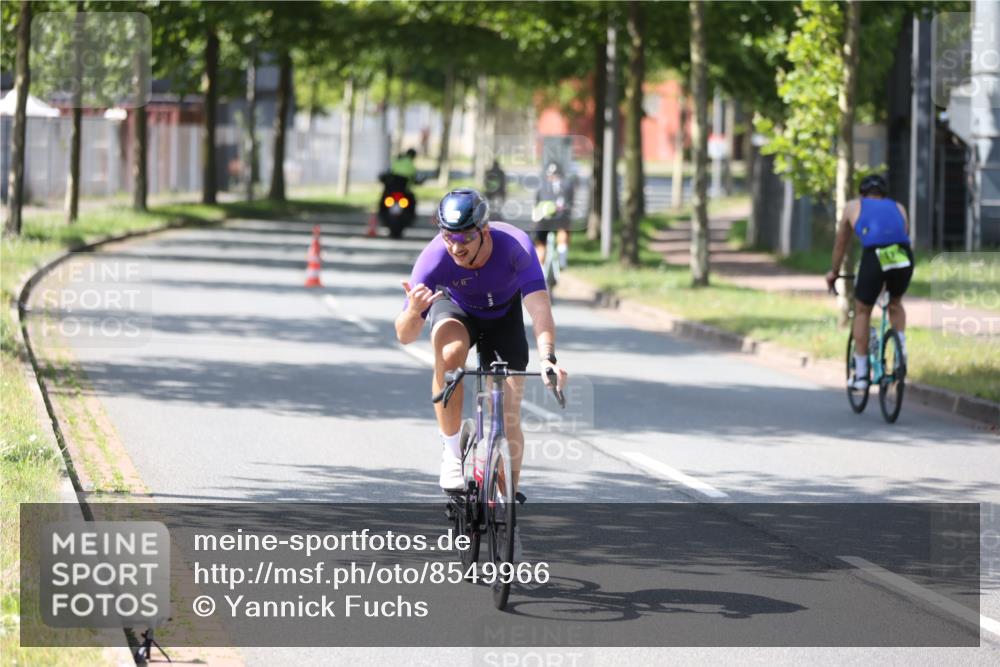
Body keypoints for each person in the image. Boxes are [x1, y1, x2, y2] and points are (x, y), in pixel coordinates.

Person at [395, 189, 568, 530]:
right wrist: (414, 312)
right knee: (450, 354)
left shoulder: (515, 245)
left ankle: (507, 500)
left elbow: (538, 306)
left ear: (484, 231)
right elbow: (404, 335)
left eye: (465, 238)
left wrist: (548, 358)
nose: (456, 247)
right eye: (448, 237)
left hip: (503, 317)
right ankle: (451, 452)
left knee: (508, 411)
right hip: (457, 311)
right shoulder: (434, 258)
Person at [826, 174, 913, 390]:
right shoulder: (899, 207)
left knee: (863, 309)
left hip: (874, 255)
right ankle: (900, 348)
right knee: (895, 302)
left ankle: (862, 374)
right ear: (884, 193)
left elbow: (841, 243)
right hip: (903, 255)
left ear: (862, 193)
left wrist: (834, 272)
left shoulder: (853, 206)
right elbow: (904, 236)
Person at [533, 162, 574, 269]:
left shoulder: (542, 187)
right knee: (564, 230)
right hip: (560, 219)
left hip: (544, 220)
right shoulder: (567, 185)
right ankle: (562, 260)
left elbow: (536, 205)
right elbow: (570, 203)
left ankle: (540, 268)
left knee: (541, 243)